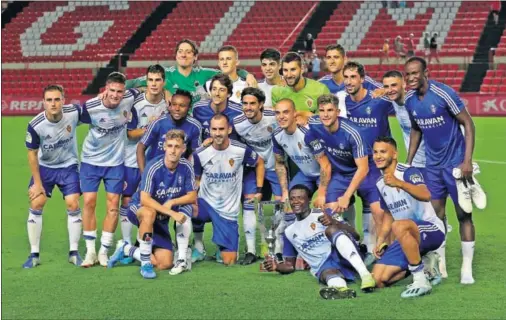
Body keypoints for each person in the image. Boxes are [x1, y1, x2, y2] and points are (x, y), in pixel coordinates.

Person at [404, 56, 486, 284]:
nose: (410, 78)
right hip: (433, 167)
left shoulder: (443, 93)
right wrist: (408, 162)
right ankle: (440, 265)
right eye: (407, 74)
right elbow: (415, 130)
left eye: (414, 73)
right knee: (436, 217)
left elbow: (468, 123)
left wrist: (467, 161)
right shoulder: (409, 100)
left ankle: (466, 268)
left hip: (456, 165)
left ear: (425, 73)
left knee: (464, 215)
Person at [107, 129, 196, 278]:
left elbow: (192, 196)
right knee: (149, 212)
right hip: (140, 208)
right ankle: (145, 265)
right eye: (170, 146)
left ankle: (127, 249)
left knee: (165, 263)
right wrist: (171, 211)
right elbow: (145, 199)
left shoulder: (186, 167)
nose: (173, 150)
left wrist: (172, 202)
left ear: (183, 149)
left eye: (177, 146)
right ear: (164, 147)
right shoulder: (153, 167)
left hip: (161, 217)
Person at [262, 185, 375, 300]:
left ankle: (365, 275)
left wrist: (334, 222)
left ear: (309, 199)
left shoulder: (324, 213)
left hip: (343, 254)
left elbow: (355, 235)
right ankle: (341, 290)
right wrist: (277, 266)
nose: (296, 201)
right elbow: (290, 265)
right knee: (327, 272)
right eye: (292, 198)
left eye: (300, 198)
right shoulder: (289, 232)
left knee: (331, 230)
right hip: (324, 265)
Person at [305, 94, 383, 256]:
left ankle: (379, 249)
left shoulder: (353, 133)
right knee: (329, 211)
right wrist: (321, 193)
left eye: (330, 110)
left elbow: (362, 168)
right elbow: (325, 164)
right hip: (340, 173)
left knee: (379, 211)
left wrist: (347, 196)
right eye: (322, 111)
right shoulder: (314, 125)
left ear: (338, 112)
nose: (325, 114)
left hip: (366, 170)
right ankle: (349, 246)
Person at [371, 136, 444, 298]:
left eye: (383, 152)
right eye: (375, 152)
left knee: (399, 226)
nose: (378, 156)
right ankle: (425, 266)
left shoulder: (408, 172)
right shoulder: (379, 183)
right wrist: (381, 239)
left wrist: (399, 183)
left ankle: (420, 281)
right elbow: (389, 214)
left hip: (431, 228)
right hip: (405, 235)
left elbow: (426, 195)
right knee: (379, 279)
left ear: (394, 154)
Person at [79, 72, 137, 267]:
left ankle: (104, 250)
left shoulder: (129, 97)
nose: (115, 95)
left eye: (119, 91)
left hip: (115, 163)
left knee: (113, 205)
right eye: (112, 90)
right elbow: (70, 119)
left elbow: (149, 87)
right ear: (106, 88)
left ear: (124, 92)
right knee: (89, 202)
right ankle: (90, 252)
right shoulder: (91, 107)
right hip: (90, 161)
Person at [192, 114, 265, 265]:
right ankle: (197, 247)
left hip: (227, 213)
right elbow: (196, 180)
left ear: (229, 129)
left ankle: (222, 247)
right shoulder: (200, 153)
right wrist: (190, 199)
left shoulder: (240, 150)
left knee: (229, 261)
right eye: (214, 129)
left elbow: (259, 162)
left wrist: (258, 189)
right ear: (209, 130)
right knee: (186, 208)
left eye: (221, 129)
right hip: (205, 203)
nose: (217, 133)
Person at [23, 85, 82, 268]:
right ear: (43, 103)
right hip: (45, 168)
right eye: (49, 100)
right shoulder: (35, 125)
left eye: (57, 99)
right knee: (36, 203)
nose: (53, 103)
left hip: (68, 166)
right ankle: (34, 254)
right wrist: (38, 184)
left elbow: (95, 110)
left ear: (64, 100)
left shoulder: (74, 113)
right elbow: (32, 154)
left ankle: (74, 253)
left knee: (73, 203)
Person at [341, 62, 394, 252]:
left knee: (382, 212)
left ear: (362, 79)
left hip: (376, 164)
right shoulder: (342, 101)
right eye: (345, 77)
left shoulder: (378, 101)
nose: (348, 81)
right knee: (337, 205)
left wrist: (384, 91)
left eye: (353, 77)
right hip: (352, 162)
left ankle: (390, 251)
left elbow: (402, 99)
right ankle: (353, 246)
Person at [121, 64, 168, 253]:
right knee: (127, 201)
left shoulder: (168, 103)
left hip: (158, 162)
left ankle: (148, 241)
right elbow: (129, 133)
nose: (154, 84)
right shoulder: (136, 103)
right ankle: (126, 242)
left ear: (163, 82)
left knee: (156, 202)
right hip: (133, 160)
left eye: (158, 80)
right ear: (146, 81)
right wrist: (149, 129)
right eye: (150, 80)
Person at [126, 39, 256, 106]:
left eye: (188, 52)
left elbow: (228, 70)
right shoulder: (163, 74)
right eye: (180, 51)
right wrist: (110, 88)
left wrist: (247, 75)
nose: (184, 55)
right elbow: (133, 82)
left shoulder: (204, 73)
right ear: (176, 55)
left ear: (195, 57)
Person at [233, 87, 282, 263]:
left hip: (277, 166)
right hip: (254, 168)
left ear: (261, 104)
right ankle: (251, 251)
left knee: (282, 204)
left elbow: (295, 115)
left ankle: (277, 250)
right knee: (249, 203)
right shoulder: (237, 123)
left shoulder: (273, 115)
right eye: (245, 103)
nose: (248, 107)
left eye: (252, 103)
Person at [137, 89, 201, 172]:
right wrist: (144, 174)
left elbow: (196, 153)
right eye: (174, 104)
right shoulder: (158, 123)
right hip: (155, 171)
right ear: (170, 106)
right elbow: (141, 147)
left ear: (189, 107)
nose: (177, 109)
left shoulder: (195, 126)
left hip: (177, 173)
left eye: (182, 105)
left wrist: (190, 173)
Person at [382, 70, 426, 169]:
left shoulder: (416, 103)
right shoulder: (393, 99)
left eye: (394, 85)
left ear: (404, 84)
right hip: (415, 163)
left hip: (430, 163)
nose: (390, 90)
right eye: (386, 86)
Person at [271, 52, 330, 118]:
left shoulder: (321, 90)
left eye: (293, 69)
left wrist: (307, 117)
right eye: (285, 70)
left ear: (302, 69)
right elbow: (275, 120)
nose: (289, 75)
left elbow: (327, 119)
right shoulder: (276, 91)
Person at [193, 73, 243, 141]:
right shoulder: (198, 108)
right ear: (210, 92)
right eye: (214, 89)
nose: (217, 93)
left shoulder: (239, 112)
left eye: (221, 90)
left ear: (229, 94)